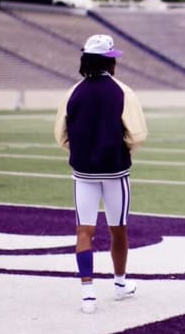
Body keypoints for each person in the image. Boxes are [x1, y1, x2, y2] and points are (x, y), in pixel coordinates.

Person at [54, 34, 148, 314]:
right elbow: (138, 134)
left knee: (84, 231)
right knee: (118, 229)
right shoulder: (123, 91)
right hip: (115, 171)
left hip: (83, 173)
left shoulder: (73, 92)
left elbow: (61, 134)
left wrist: (81, 149)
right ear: (109, 60)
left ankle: (87, 293)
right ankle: (119, 283)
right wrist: (120, 148)